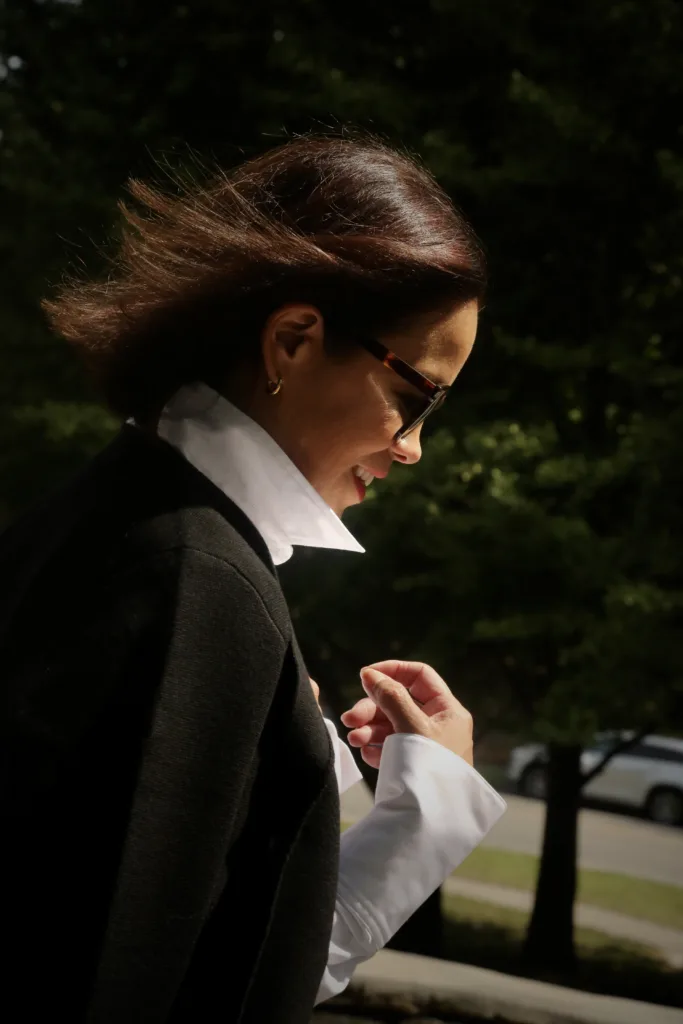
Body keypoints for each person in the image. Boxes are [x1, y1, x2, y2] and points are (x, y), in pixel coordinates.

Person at [1, 134, 506, 1023]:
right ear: (294, 339)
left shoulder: (121, 524)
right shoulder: (197, 583)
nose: (414, 449)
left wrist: (352, 785)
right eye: (416, 396)